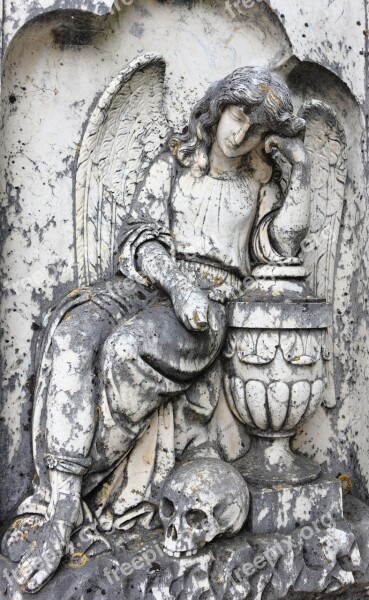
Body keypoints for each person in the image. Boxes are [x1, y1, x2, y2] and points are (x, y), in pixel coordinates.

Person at [12, 66, 310, 592]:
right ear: (219, 107)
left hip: (207, 309)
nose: (240, 134)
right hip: (151, 284)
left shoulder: (257, 186)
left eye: (257, 130)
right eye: (238, 116)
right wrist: (176, 283)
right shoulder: (173, 164)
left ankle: (83, 488)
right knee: (74, 331)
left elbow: (281, 245)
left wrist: (301, 172)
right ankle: (59, 504)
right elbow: (141, 238)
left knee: (128, 350)